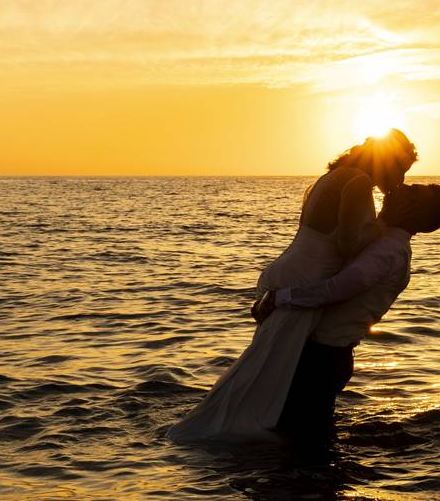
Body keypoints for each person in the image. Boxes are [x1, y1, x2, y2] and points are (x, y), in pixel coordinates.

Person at [166, 130, 417, 442]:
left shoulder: (335, 175)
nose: (401, 179)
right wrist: (384, 226)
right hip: (305, 279)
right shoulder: (359, 182)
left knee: (268, 367)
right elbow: (348, 243)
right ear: (386, 161)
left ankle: (252, 429)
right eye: (401, 169)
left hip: (291, 270)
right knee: (268, 372)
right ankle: (234, 431)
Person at [252, 183, 440, 438]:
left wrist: (279, 297)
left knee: (302, 440)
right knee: (305, 437)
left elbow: (336, 290)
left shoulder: (387, 251)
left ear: (411, 209)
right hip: (326, 356)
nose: (396, 188)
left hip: (321, 359)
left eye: (410, 190)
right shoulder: (383, 243)